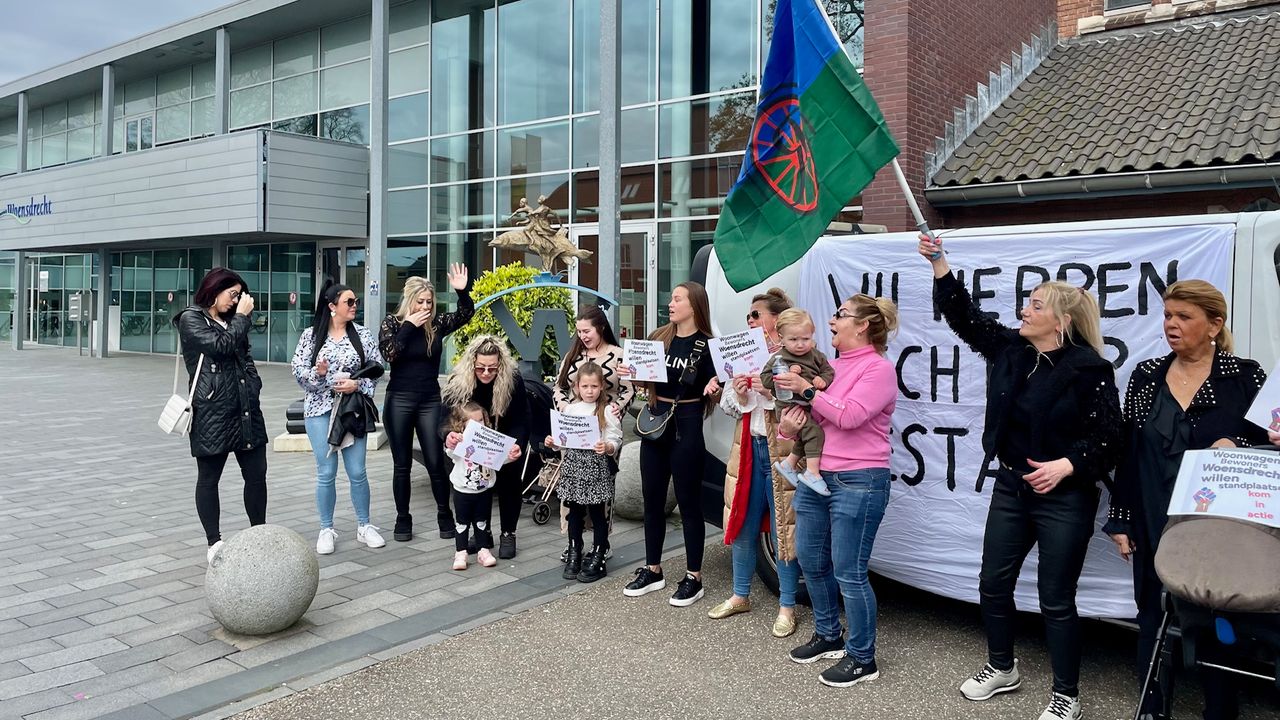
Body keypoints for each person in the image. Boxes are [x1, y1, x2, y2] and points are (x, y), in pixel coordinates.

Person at [918, 234, 1123, 720]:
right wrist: (940, 262)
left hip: (1065, 498)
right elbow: (965, 317)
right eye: (1026, 303)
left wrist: (1068, 465)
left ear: (1062, 321)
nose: (1023, 311)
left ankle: (1066, 695)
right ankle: (1001, 667)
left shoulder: (1090, 369)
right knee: (992, 582)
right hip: (1011, 487)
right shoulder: (1010, 349)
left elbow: (1111, 439)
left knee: (1056, 599)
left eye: (1034, 305)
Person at [1103, 280, 1272, 720]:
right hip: (1152, 514)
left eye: (1184, 317)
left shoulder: (1245, 377)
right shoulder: (1145, 375)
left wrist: (1238, 441)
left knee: (1218, 617)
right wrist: (1121, 520)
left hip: (1215, 524)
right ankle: (1151, 709)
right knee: (1150, 613)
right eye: (1167, 315)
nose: (1171, 325)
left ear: (1214, 325)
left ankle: (1220, 710)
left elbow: (1269, 449)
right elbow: (1129, 451)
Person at [775, 293, 899, 689]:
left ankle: (863, 657)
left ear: (862, 326)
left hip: (860, 480)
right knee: (810, 559)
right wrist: (787, 430)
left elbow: (850, 416)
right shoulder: (829, 366)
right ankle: (829, 634)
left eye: (840, 315)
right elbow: (806, 423)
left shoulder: (878, 369)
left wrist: (808, 392)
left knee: (850, 571)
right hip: (818, 476)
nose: (832, 321)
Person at [708, 287, 803, 638]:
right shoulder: (747, 354)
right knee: (744, 524)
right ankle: (740, 594)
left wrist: (769, 392)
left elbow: (806, 405)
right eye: (748, 315)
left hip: (782, 452)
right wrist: (740, 392)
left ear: (774, 320)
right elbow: (730, 406)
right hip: (749, 447)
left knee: (783, 532)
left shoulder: (796, 352)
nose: (749, 321)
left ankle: (787, 606)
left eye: (755, 315)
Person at [619, 281, 720, 606]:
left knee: (689, 504)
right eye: (672, 297)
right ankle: (653, 568)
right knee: (652, 501)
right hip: (654, 420)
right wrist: (632, 375)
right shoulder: (659, 338)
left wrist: (716, 390)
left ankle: (694, 576)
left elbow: (719, 387)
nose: (671, 303)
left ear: (694, 305)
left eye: (678, 298)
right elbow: (645, 381)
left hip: (687, 423)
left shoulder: (707, 345)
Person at [174, 268, 268, 564]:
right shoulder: (191, 319)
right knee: (209, 478)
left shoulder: (232, 321)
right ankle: (213, 541)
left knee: (256, 475)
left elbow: (243, 355)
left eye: (240, 296)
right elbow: (221, 347)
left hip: (245, 408)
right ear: (215, 290)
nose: (237, 300)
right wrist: (241, 318)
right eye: (232, 294)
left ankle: (259, 533)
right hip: (212, 411)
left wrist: (254, 383)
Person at [378, 264, 473, 542]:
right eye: (420, 301)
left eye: (429, 302)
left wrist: (461, 291)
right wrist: (408, 326)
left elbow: (466, 314)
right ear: (409, 301)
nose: (425, 306)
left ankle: (445, 515)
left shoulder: (437, 324)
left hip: (430, 399)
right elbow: (390, 354)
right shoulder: (393, 323)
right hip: (400, 399)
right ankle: (402, 518)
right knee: (402, 465)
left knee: (435, 460)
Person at [291, 282, 386, 555]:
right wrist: (319, 375)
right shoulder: (311, 337)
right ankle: (326, 528)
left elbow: (377, 370)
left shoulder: (363, 335)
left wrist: (358, 386)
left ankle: (364, 525)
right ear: (332, 307)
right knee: (326, 472)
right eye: (349, 302)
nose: (354, 306)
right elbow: (299, 375)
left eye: (355, 301)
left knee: (358, 471)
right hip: (320, 410)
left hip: (352, 409)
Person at [552, 304, 634, 560]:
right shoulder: (573, 355)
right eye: (578, 331)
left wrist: (616, 408)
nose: (582, 336)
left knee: (602, 491)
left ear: (599, 327)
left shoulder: (618, 354)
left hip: (604, 429)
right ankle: (573, 541)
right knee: (572, 491)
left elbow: (629, 389)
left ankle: (602, 542)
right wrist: (566, 407)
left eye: (586, 331)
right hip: (575, 430)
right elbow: (558, 387)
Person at [442, 335, 529, 559]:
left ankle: (508, 533)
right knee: (476, 486)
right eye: (481, 368)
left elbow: (521, 418)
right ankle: (484, 532)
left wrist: (517, 445)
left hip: (504, 437)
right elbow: (443, 418)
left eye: (493, 368)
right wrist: (448, 435)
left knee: (510, 482)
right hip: (471, 443)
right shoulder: (458, 381)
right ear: (472, 364)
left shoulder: (513, 379)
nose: (487, 373)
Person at [546, 362, 622, 583]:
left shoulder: (606, 410)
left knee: (598, 513)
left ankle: (599, 551)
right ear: (577, 386)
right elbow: (562, 440)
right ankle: (574, 549)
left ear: (602, 387)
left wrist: (607, 447)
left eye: (594, 386)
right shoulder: (570, 409)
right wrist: (553, 443)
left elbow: (614, 437)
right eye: (585, 386)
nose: (590, 391)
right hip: (574, 465)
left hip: (595, 467)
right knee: (575, 513)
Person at [760, 308, 835, 496]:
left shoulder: (817, 355)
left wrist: (823, 380)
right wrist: (782, 376)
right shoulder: (779, 358)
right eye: (794, 340)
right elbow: (765, 380)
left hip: (808, 405)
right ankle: (812, 473)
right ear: (781, 338)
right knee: (814, 433)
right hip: (787, 406)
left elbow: (828, 371)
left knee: (806, 436)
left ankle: (789, 464)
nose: (800, 344)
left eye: (806, 338)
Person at [447, 402, 499, 571]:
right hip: (462, 491)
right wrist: (453, 442)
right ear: (462, 425)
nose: (478, 425)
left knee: (481, 522)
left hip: (483, 490)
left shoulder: (489, 441)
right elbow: (451, 453)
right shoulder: (460, 442)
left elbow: (499, 459)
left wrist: (510, 455)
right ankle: (460, 552)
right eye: (472, 422)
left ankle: (483, 550)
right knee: (462, 523)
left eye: (481, 420)